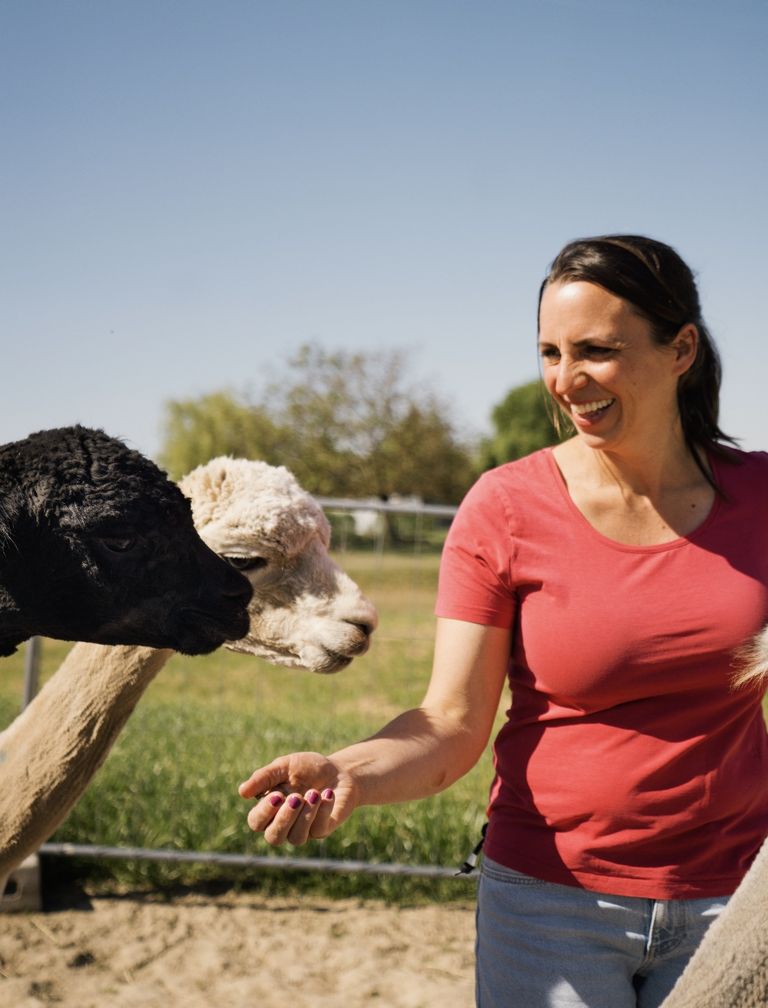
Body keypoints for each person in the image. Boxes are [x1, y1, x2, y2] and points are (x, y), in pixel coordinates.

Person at [238, 234, 768, 1008]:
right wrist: (349, 771)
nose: (565, 380)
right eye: (551, 352)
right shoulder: (504, 508)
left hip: (738, 903)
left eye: (596, 350)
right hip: (552, 907)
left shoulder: (760, 497)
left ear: (681, 349)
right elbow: (451, 723)